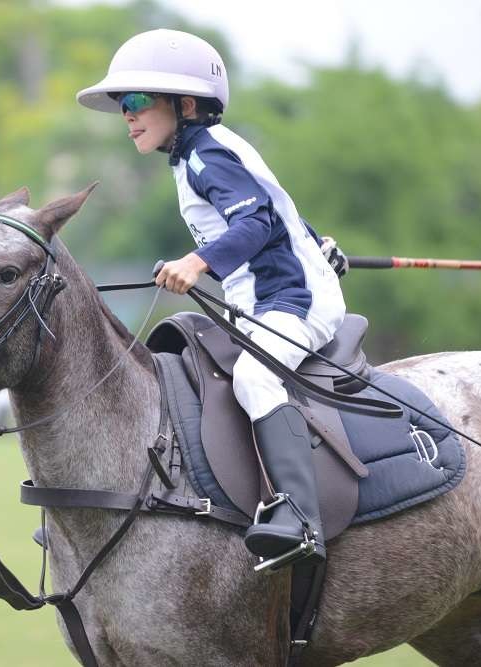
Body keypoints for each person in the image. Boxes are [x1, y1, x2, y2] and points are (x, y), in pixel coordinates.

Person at [77, 29, 349, 565]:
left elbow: (255, 219)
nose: (127, 115)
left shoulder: (206, 156)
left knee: (253, 376)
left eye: (136, 102)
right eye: (121, 106)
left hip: (292, 301)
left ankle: (300, 517)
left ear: (184, 103)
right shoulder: (195, 158)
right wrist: (316, 242)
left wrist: (196, 262)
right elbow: (276, 209)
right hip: (264, 300)